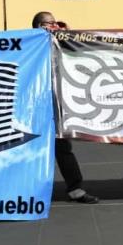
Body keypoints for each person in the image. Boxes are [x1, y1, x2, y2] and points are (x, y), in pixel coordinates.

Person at [32, 11, 98, 204]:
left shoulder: (61, 42)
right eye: (47, 23)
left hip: (56, 104)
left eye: (54, 23)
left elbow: (78, 54)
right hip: (36, 105)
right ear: (37, 26)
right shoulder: (31, 45)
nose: (52, 26)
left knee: (62, 147)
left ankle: (76, 189)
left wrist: (68, 36)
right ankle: (29, 191)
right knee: (34, 148)